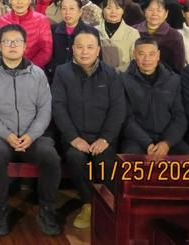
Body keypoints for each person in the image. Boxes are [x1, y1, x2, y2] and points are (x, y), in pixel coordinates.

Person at [0, 25, 61, 237]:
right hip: (2, 136)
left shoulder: (38, 74)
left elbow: (45, 109)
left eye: (17, 42)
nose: (12, 46)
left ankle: (47, 209)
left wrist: (31, 135)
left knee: (50, 156)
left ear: (25, 46)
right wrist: (7, 135)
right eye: (7, 42)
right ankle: (0, 208)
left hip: (34, 136)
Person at [51, 26, 126, 230]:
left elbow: (118, 109)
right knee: (76, 158)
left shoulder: (111, 74)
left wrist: (105, 139)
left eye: (90, 47)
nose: (85, 51)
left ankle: (109, 206)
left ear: (98, 49)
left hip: (104, 138)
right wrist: (73, 138)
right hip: (75, 138)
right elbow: (58, 107)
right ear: (72, 49)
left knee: (104, 162)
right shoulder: (62, 72)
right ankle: (88, 204)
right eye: (80, 47)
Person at [120, 37, 189, 155]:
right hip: (136, 140)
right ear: (134, 54)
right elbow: (126, 119)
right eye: (141, 54)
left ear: (158, 55)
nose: (147, 59)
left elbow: (180, 116)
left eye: (151, 54)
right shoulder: (123, 80)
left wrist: (166, 142)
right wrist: (147, 143)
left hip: (168, 138)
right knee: (132, 160)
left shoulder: (174, 80)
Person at [0, 0, 52, 70]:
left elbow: (46, 51)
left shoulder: (42, 20)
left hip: (33, 71)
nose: (19, 2)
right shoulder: (2, 21)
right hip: (6, 70)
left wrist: (29, 68)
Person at [133, 0, 186, 73]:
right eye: (151, 10)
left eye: (159, 10)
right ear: (145, 11)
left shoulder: (175, 36)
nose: (154, 14)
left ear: (166, 14)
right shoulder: (133, 31)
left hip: (165, 79)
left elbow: (178, 67)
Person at [97, 0, 141, 71]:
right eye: (109, 8)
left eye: (117, 8)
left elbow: (135, 61)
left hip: (124, 77)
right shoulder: (94, 31)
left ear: (123, 10)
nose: (113, 11)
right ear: (103, 10)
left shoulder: (132, 33)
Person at [49, 0, 92, 75]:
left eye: (71, 8)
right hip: (57, 76)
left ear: (80, 11)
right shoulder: (53, 30)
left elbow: (96, 61)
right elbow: (49, 56)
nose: (67, 12)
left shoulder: (91, 32)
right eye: (64, 9)